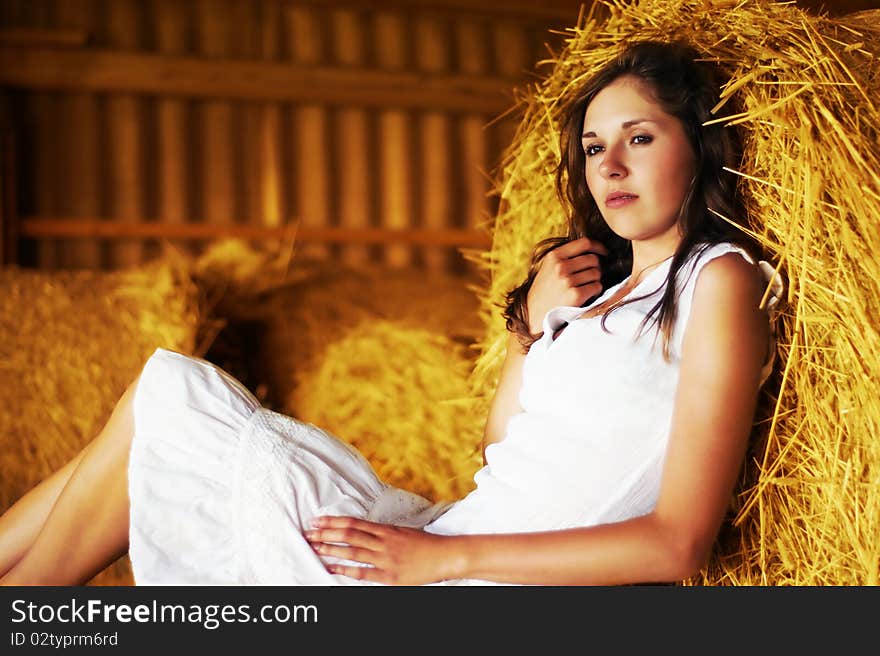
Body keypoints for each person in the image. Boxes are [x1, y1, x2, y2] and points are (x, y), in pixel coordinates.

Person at [0, 40, 780, 586]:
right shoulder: (596, 291)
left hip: (468, 576)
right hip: (445, 539)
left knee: (175, 400)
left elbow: (676, 544)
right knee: (162, 398)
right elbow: (503, 451)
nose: (608, 164)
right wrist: (526, 331)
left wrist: (438, 563)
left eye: (639, 138)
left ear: (700, 148)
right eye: (591, 146)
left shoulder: (718, 281)